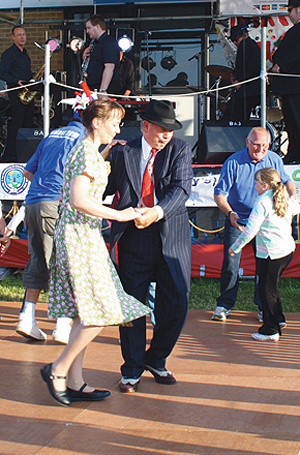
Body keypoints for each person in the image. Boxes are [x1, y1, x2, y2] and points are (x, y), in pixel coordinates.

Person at [40, 98, 149, 406]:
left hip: (82, 235)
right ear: (97, 123)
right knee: (103, 309)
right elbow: (78, 199)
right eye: (114, 121)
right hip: (79, 236)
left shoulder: (88, 152)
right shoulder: (85, 153)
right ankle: (58, 369)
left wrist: (106, 154)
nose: (118, 127)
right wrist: (121, 214)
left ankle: (74, 382)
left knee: (86, 311)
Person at [105, 99, 193, 393]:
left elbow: (181, 189)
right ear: (145, 126)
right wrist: (98, 155)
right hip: (133, 238)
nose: (167, 134)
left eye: (171, 129)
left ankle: (156, 358)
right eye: (162, 129)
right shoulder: (122, 152)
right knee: (132, 306)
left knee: (177, 302)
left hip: (171, 236)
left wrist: (155, 212)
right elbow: (103, 188)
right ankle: (131, 368)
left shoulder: (179, 149)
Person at [15, 113, 87, 342]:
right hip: (55, 204)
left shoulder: (50, 136)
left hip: (33, 204)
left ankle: (27, 318)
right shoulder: (82, 138)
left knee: (38, 259)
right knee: (63, 261)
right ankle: (62, 325)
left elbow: (27, 172)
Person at [212, 127, 296, 322]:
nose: (260, 149)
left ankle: (263, 307)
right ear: (247, 142)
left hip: (267, 223)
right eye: (256, 144)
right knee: (231, 263)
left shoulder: (274, 159)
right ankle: (224, 304)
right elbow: (219, 193)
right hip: (239, 220)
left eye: (265, 145)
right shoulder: (233, 161)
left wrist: (292, 196)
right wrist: (230, 213)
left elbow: (287, 181)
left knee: (264, 266)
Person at [229, 168, 300, 341]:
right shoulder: (282, 197)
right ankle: (279, 319)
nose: (254, 186)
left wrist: (235, 247)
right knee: (272, 286)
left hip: (271, 253)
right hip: (286, 250)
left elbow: (250, 231)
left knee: (265, 289)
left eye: (256, 182)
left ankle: (271, 329)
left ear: (265, 185)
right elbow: (295, 207)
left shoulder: (262, 202)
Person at [270, 0, 300, 164]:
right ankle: (294, 152)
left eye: (290, 10)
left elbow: (296, 52)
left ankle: (296, 153)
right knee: (291, 122)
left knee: (296, 120)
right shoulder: (294, 30)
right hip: (290, 85)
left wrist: (281, 65)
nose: (288, 14)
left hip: (295, 84)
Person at [0, 25, 34, 162]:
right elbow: (2, 73)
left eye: (24, 34)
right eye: (19, 35)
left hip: (27, 92)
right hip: (16, 92)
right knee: (17, 124)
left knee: (28, 123)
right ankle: (11, 155)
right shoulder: (9, 54)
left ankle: (26, 153)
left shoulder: (25, 54)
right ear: (13, 37)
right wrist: (16, 81)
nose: (22, 37)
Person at [222, 25, 261, 122]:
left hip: (247, 89)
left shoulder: (245, 45)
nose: (235, 42)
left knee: (232, 115)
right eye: (233, 40)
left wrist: (239, 81)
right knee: (240, 116)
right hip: (250, 89)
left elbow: (250, 68)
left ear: (245, 35)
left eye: (236, 39)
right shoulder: (251, 45)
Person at [82, 14, 120, 96]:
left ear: (97, 27)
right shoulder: (94, 43)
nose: (87, 31)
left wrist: (103, 90)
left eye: (89, 28)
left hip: (104, 89)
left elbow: (109, 66)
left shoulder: (108, 42)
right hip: (92, 88)